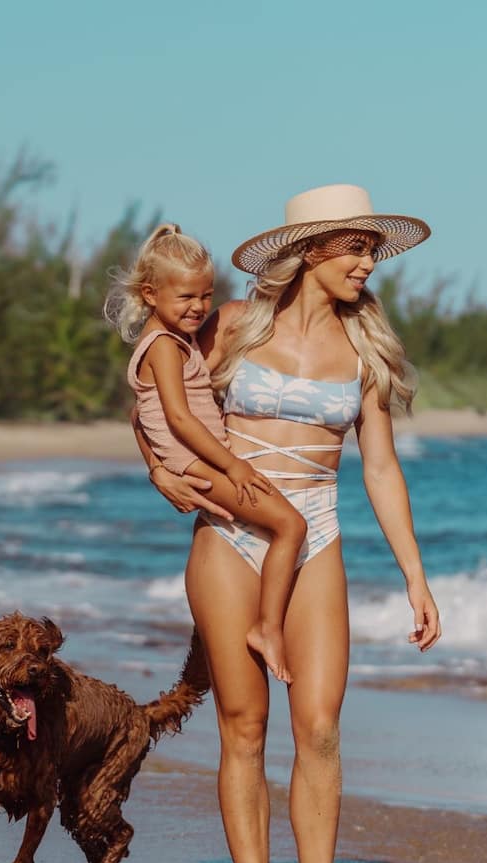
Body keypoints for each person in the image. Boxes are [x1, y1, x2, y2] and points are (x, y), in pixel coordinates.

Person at [137, 185, 443, 863]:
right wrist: (155, 470)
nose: (368, 264)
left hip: (317, 533)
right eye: (357, 248)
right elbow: (155, 388)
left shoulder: (366, 350)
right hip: (228, 533)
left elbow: (379, 469)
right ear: (312, 250)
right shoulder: (231, 324)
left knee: (321, 726)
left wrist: (415, 574)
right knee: (244, 727)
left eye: (373, 250)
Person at [112, 224, 307, 682]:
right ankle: (267, 628)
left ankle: (263, 620)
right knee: (291, 525)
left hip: (193, 459)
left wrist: (157, 465)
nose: (200, 308)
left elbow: (140, 415)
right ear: (150, 294)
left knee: (282, 525)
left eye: (205, 295)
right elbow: (179, 420)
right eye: (186, 298)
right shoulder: (162, 347)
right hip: (200, 461)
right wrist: (230, 463)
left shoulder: (177, 343)